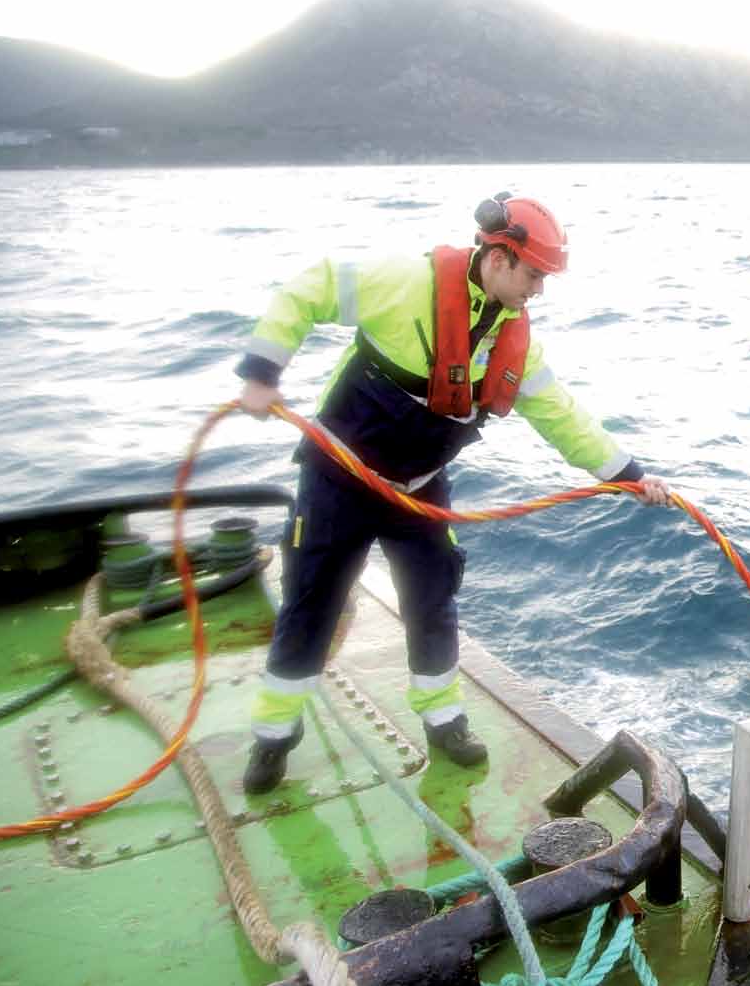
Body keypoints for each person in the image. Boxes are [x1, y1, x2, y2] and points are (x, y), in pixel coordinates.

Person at [234, 192, 670, 794]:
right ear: (498, 256)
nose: (538, 290)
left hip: (419, 491)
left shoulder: (515, 340)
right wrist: (262, 372)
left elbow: (561, 416)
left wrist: (627, 475)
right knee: (311, 602)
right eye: (535, 275)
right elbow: (314, 285)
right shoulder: (403, 281)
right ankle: (273, 741)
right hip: (339, 480)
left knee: (433, 597)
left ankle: (443, 722)